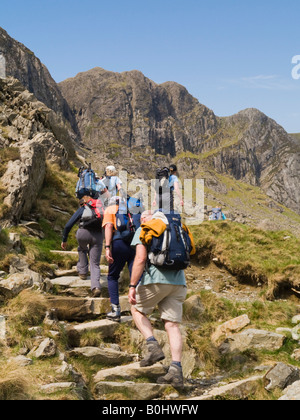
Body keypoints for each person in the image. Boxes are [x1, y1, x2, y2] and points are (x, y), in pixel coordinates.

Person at [128, 210, 192, 388]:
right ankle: (176, 370)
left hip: (156, 280)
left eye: (143, 217)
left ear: (149, 218)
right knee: (172, 325)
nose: (141, 219)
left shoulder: (145, 229)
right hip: (179, 282)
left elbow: (140, 259)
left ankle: (152, 346)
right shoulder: (178, 229)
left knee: (136, 309)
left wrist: (132, 286)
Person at [102, 197, 140, 321]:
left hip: (119, 244)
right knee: (135, 277)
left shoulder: (111, 209)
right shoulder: (134, 212)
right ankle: (140, 310)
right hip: (134, 245)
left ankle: (115, 310)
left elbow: (108, 227)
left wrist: (107, 247)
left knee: (112, 276)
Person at [61, 196, 103, 297]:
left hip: (83, 233)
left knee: (82, 248)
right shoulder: (100, 210)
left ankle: (83, 273)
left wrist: (64, 239)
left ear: (82, 203)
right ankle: (96, 287)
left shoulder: (83, 209)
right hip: (98, 235)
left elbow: (68, 225)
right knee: (95, 263)